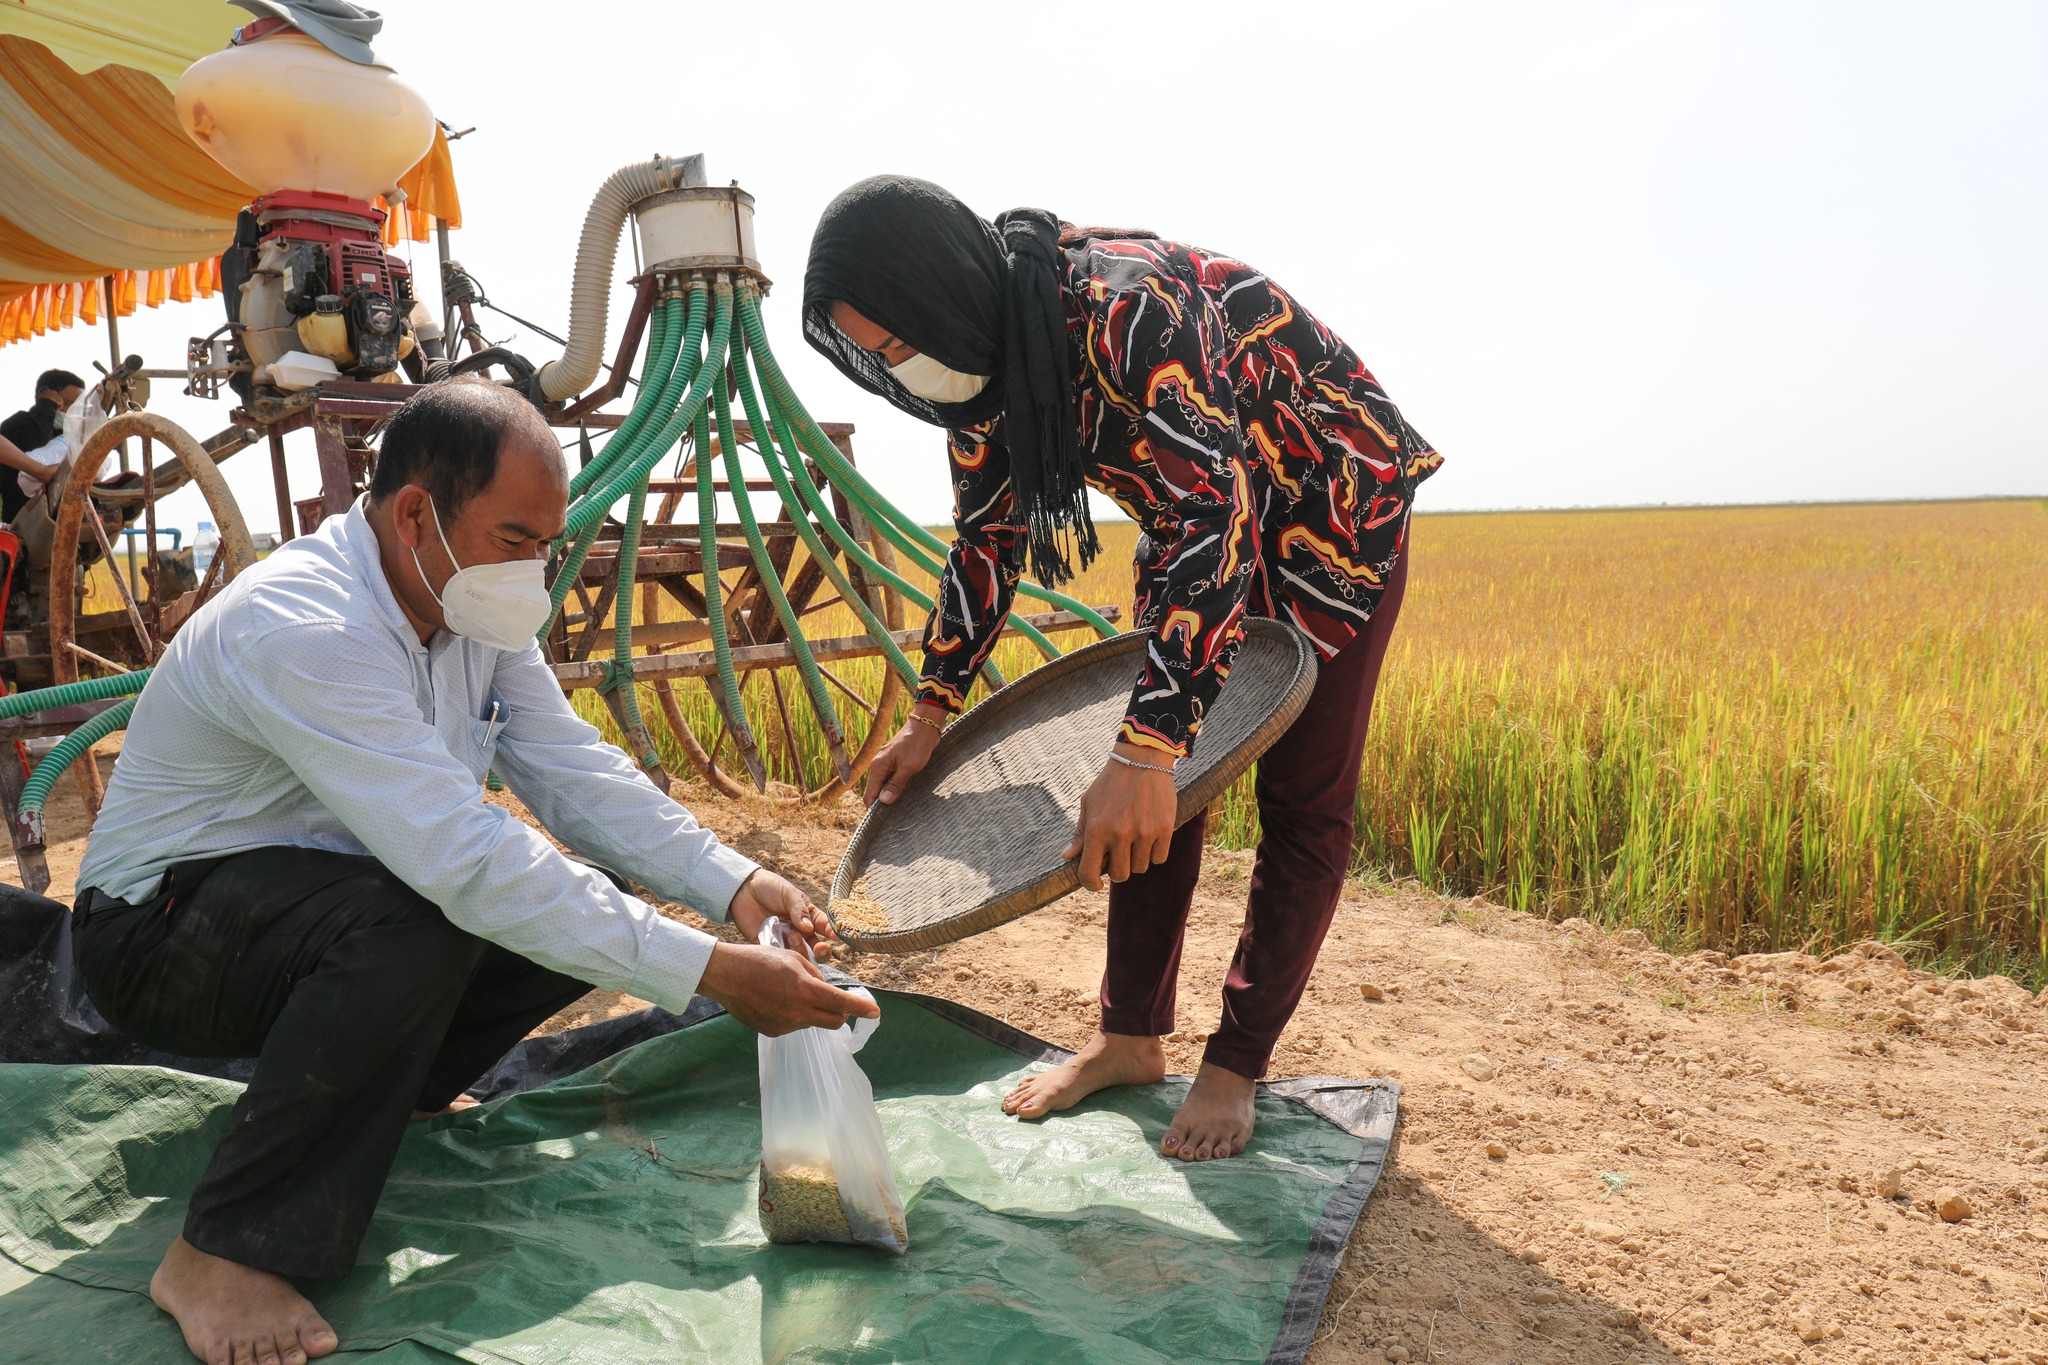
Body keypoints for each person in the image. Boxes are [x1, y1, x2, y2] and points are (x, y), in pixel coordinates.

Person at [70, 378, 875, 1365]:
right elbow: (458, 852)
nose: (535, 571)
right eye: (515, 539)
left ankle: (396, 1090)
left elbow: (572, 773)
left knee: (582, 908)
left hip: (314, 906)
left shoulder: (471, 612)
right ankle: (219, 1250)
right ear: (416, 513)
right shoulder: (305, 626)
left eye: (547, 542)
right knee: (428, 917)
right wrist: (712, 970)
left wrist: (728, 883)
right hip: (158, 930)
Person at [805, 176, 1441, 1166]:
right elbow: (986, 537)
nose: (902, 369)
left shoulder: (1130, 311)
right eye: (878, 357)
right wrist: (930, 711)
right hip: (1199, 522)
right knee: (1156, 794)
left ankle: (1234, 1061)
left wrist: (1147, 749)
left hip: (1330, 507)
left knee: (1294, 799)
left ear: (939, 290)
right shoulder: (981, 355)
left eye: (898, 341)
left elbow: (1213, 523)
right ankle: (1129, 1037)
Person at [1, 368, 84, 520]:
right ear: (46, 394)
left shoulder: (67, 436)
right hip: (18, 521)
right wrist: (46, 406)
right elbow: (37, 449)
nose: (70, 411)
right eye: (67, 403)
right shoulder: (18, 424)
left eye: (76, 407)